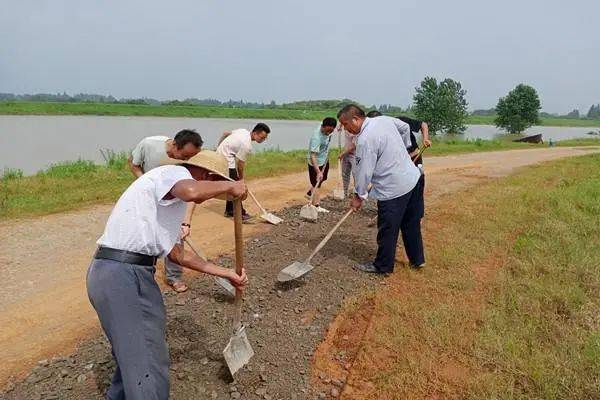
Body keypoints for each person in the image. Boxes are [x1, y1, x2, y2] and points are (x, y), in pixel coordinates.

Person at [87, 150, 249, 400]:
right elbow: (193, 191)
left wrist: (227, 273)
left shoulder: (167, 200)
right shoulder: (175, 174)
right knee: (149, 359)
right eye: (214, 183)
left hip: (110, 272)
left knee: (132, 354)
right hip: (125, 275)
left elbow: (178, 255)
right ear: (206, 175)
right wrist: (232, 185)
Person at [338, 104, 425, 273]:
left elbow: (363, 172)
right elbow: (405, 127)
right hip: (412, 179)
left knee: (388, 229)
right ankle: (417, 260)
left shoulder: (364, 140)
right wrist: (407, 145)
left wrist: (359, 196)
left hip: (393, 189)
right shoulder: (383, 120)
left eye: (346, 125)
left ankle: (383, 266)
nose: (346, 130)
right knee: (411, 224)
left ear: (355, 119)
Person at [128, 129, 203, 293]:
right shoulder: (148, 144)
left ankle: (174, 277)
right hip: (149, 198)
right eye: (184, 156)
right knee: (145, 236)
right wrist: (146, 184)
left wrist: (185, 222)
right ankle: (144, 276)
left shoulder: (189, 162)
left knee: (175, 238)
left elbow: (192, 193)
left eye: (190, 158)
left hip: (173, 201)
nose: (186, 160)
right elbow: (133, 163)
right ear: (174, 144)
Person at [216, 123, 271, 220]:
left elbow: (225, 133)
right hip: (227, 160)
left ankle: (229, 211)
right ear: (255, 133)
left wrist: (218, 148)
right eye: (262, 138)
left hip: (220, 155)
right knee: (237, 187)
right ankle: (239, 213)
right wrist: (241, 181)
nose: (263, 140)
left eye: (265, 138)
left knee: (231, 186)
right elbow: (240, 165)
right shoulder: (247, 145)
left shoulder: (242, 131)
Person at [306, 117, 337, 211]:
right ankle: (316, 206)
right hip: (316, 162)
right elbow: (313, 156)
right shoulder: (316, 137)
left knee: (322, 178)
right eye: (327, 131)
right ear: (322, 127)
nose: (328, 133)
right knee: (317, 183)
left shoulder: (327, 125)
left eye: (331, 131)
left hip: (324, 159)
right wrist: (318, 171)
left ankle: (310, 193)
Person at [336, 123, 356, 196]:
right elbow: (340, 125)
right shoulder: (346, 125)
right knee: (344, 174)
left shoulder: (356, 130)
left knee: (355, 174)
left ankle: (357, 194)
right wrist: (340, 126)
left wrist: (343, 153)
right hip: (346, 154)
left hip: (355, 155)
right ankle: (345, 192)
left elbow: (353, 145)